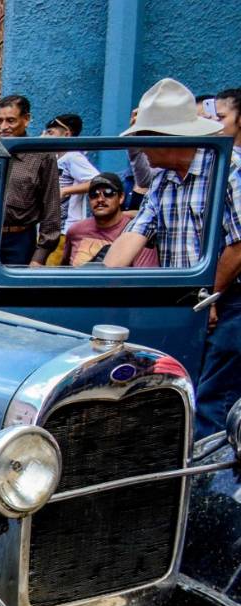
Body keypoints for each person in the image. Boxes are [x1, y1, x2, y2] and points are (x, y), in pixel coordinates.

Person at [108, 79, 241, 437]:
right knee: (171, 390)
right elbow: (136, 233)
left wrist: (210, 294)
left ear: (167, 137)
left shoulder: (230, 171)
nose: (139, 147)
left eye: (143, 137)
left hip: (228, 301)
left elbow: (240, 244)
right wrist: (102, 277)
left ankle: (209, 486)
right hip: (184, 302)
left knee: (214, 400)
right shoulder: (164, 181)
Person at [0, 94, 61, 265]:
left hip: (20, 240)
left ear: (26, 119)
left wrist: (39, 257)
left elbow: (51, 207)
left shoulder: (41, 155)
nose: (4, 127)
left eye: (10, 120)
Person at [63, 172, 159, 267]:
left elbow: (145, 279)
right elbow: (64, 269)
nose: (100, 199)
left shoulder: (139, 233)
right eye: (94, 194)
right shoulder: (75, 230)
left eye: (108, 193)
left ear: (121, 197)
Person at [44, 113, 101, 231]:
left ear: (66, 134)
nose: (44, 137)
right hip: (50, 227)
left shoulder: (73, 156)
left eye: (50, 133)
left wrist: (65, 191)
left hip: (66, 229)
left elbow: (98, 181)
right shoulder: (54, 158)